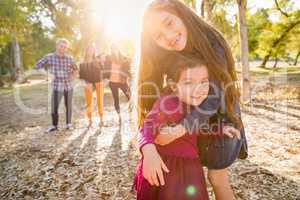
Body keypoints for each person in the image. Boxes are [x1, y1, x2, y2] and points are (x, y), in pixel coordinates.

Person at [137, 1, 248, 200]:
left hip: (218, 113)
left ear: (180, 13)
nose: (168, 37)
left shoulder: (211, 43)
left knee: (217, 176)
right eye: (159, 36)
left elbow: (214, 98)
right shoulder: (170, 65)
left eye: (169, 23)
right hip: (191, 131)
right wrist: (149, 146)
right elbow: (150, 122)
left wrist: (182, 129)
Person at [36, 38, 77, 133]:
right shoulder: (49, 57)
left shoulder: (69, 58)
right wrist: (48, 74)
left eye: (65, 47)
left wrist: (72, 76)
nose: (63, 48)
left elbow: (75, 69)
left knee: (69, 106)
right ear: (57, 46)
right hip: (56, 86)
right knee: (54, 106)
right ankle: (54, 125)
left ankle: (69, 124)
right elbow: (38, 66)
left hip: (68, 86)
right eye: (61, 46)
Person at [79, 44, 104, 127]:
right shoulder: (82, 62)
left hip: (98, 82)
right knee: (89, 102)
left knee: (100, 100)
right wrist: (86, 84)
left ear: (94, 51)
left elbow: (102, 70)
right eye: (89, 49)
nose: (91, 51)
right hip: (88, 83)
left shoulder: (97, 60)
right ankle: (90, 120)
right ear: (86, 51)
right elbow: (81, 76)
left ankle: (101, 119)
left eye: (92, 50)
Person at [107, 43, 131, 120]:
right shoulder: (109, 58)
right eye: (112, 49)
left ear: (118, 48)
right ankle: (119, 115)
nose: (114, 50)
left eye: (115, 48)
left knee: (130, 95)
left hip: (122, 81)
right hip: (112, 82)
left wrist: (127, 77)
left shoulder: (124, 58)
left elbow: (128, 70)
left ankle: (132, 110)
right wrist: (106, 79)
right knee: (116, 99)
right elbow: (106, 68)